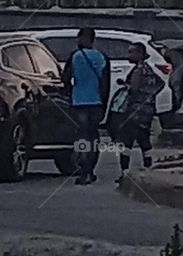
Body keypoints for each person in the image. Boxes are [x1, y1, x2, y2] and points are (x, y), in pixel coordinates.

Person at [62, 27, 111, 185]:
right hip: (96, 102)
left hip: (79, 102)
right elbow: (105, 84)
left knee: (82, 136)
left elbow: (66, 78)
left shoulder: (74, 57)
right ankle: (91, 169)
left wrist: (71, 94)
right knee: (93, 136)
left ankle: (84, 170)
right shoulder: (102, 58)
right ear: (93, 40)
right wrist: (103, 103)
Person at [112, 42, 162, 181]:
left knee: (126, 142)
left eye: (131, 52)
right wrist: (149, 95)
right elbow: (160, 84)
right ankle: (148, 169)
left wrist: (127, 87)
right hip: (147, 110)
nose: (129, 55)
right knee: (144, 141)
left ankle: (125, 172)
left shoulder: (138, 70)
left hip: (135, 111)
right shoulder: (149, 69)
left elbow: (133, 88)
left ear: (140, 54)